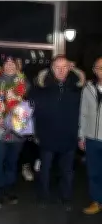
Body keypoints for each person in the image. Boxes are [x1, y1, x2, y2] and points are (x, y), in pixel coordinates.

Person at [31, 57, 84, 210]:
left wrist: (80, 134)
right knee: (45, 169)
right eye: (57, 67)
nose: (61, 70)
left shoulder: (77, 87)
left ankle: (66, 197)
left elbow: (84, 113)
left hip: (69, 135)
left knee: (67, 171)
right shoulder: (40, 87)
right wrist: (35, 132)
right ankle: (43, 196)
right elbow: (32, 111)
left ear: (69, 68)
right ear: (51, 68)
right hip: (46, 135)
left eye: (64, 67)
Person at [0, 57, 30, 208]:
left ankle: (9, 189)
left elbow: (29, 104)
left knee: (12, 162)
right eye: (7, 64)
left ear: (17, 66)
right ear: (3, 66)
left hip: (16, 131)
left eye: (12, 64)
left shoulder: (24, 83)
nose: (9, 66)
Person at [80, 57, 102, 215]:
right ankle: (97, 200)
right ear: (94, 70)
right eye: (99, 68)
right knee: (94, 172)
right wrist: (81, 136)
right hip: (91, 138)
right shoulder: (87, 88)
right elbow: (83, 113)